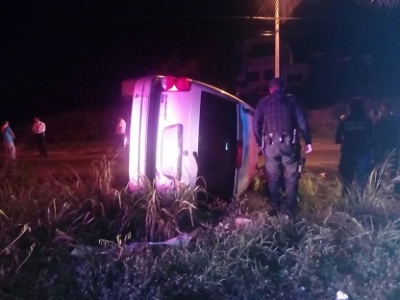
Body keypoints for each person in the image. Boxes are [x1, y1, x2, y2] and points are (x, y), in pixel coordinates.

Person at [253, 78, 312, 218]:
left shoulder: (263, 102)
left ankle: (275, 207)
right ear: (284, 88)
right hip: (289, 146)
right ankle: (289, 211)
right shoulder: (292, 101)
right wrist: (308, 141)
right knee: (291, 177)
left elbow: (256, 124)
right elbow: (302, 122)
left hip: (271, 146)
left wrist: (260, 143)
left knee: (273, 177)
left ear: (270, 89)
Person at [335, 98, 373, 192]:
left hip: (348, 154)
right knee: (362, 182)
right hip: (363, 153)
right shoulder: (368, 121)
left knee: (347, 182)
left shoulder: (344, 121)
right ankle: (360, 203)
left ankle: (346, 203)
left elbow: (337, 139)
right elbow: (372, 138)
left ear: (350, 108)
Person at [373, 102, 400, 178]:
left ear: (390, 110)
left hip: (394, 145)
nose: (384, 112)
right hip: (382, 147)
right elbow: (375, 136)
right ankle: (380, 184)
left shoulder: (396, 120)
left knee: (394, 165)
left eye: (386, 110)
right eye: (383, 110)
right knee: (380, 165)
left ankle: (393, 181)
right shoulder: (378, 122)